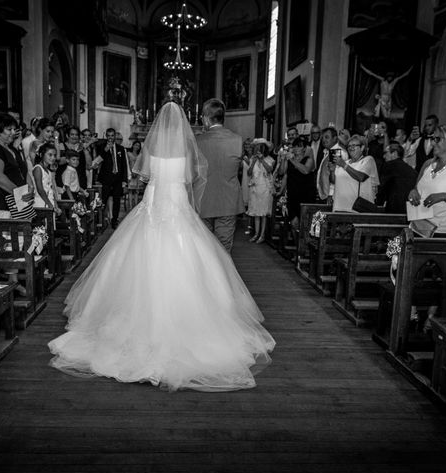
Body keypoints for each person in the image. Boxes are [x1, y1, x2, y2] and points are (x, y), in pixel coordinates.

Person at [48, 100, 275, 391]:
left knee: (136, 258)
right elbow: (193, 177)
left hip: (154, 204)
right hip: (177, 204)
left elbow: (141, 177)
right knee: (192, 260)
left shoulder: (151, 148)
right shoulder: (187, 149)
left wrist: (153, 176)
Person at [197, 98, 244, 252]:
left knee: (205, 250)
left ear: (205, 118)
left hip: (203, 200)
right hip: (228, 201)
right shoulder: (237, 140)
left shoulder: (198, 141)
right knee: (224, 250)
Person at [331, 135, 379, 212]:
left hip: (357, 208)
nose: (350, 148)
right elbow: (334, 181)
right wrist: (332, 170)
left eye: (354, 145)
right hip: (339, 206)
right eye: (349, 146)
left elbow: (361, 177)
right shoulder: (344, 162)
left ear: (362, 148)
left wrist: (344, 165)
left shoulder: (368, 160)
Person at [93, 127, 128, 229]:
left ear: (115, 136)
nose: (110, 138)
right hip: (106, 178)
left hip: (117, 178)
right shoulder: (101, 147)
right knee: (103, 200)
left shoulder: (121, 149)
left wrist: (124, 181)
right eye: (108, 136)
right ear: (106, 136)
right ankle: (101, 221)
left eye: (112, 135)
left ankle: (114, 220)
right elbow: (98, 160)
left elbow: (124, 166)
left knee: (117, 200)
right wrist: (105, 150)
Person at [246, 138, 275, 244]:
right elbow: (249, 173)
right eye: (256, 148)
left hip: (265, 189)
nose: (257, 150)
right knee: (256, 213)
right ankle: (256, 233)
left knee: (263, 214)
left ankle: (262, 235)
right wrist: (253, 162)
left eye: (260, 148)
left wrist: (262, 160)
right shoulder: (252, 159)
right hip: (255, 188)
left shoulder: (270, 159)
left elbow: (269, 170)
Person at [376, 143, 417, 214]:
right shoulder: (411, 170)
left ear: (394, 153)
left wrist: (377, 203)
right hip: (410, 209)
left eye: (386, 153)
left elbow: (382, 187)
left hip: (395, 208)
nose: (384, 156)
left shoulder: (389, 165)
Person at [32, 142, 61, 216]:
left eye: (54, 155)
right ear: (41, 155)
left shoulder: (49, 171)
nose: (53, 158)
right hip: (41, 203)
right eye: (50, 155)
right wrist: (50, 205)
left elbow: (51, 190)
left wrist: (55, 205)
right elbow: (40, 189)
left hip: (49, 202)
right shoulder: (38, 168)